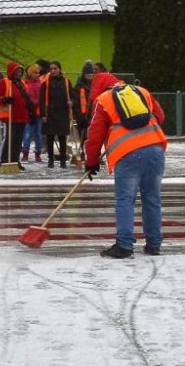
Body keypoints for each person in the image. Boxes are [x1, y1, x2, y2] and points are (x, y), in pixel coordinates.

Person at [84, 81, 167, 258]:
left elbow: (95, 134)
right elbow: (160, 116)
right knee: (152, 198)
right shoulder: (142, 91)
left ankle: (124, 245)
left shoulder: (103, 100)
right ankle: (154, 244)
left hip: (127, 154)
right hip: (155, 149)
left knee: (125, 199)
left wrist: (91, 161)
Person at [40, 60, 75, 168]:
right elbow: (41, 99)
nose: (53, 71)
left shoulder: (66, 81)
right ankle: (51, 160)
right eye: (51, 69)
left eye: (55, 68)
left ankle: (63, 161)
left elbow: (71, 95)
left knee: (62, 137)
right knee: (50, 137)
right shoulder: (46, 82)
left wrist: (71, 102)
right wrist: (42, 114)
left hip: (62, 112)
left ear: (60, 69)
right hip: (50, 112)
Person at [0, 60, 28, 168]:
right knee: (10, 138)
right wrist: (4, 99)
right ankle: (4, 160)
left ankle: (15, 159)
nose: (19, 74)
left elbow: (26, 98)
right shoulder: (4, 82)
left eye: (20, 72)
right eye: (17, 71)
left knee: (18, 140)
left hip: (21, 115)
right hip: (10, 115)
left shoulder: (22, 83)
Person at [21, 63, 44, 163]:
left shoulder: (41, 83)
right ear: (30, 73)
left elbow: (43, 99)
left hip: (38, 113)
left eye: (38, 73)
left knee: (39, 134)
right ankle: (25, 153)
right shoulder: (25, 84)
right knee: (27, 134)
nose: (37, 74)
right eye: (35, 73)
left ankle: (38, 153)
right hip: (28, 112)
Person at [73, 59, 95, 153]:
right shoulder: (78, 87)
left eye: (91, 74)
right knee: (83, 135)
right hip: (82, 116)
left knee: (93, 136)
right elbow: (76, 102)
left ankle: (92, 153)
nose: (90, 76)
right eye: (88, 74)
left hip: (93, 115)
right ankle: (83, 152)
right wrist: (79, 116)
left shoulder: (95, 85)